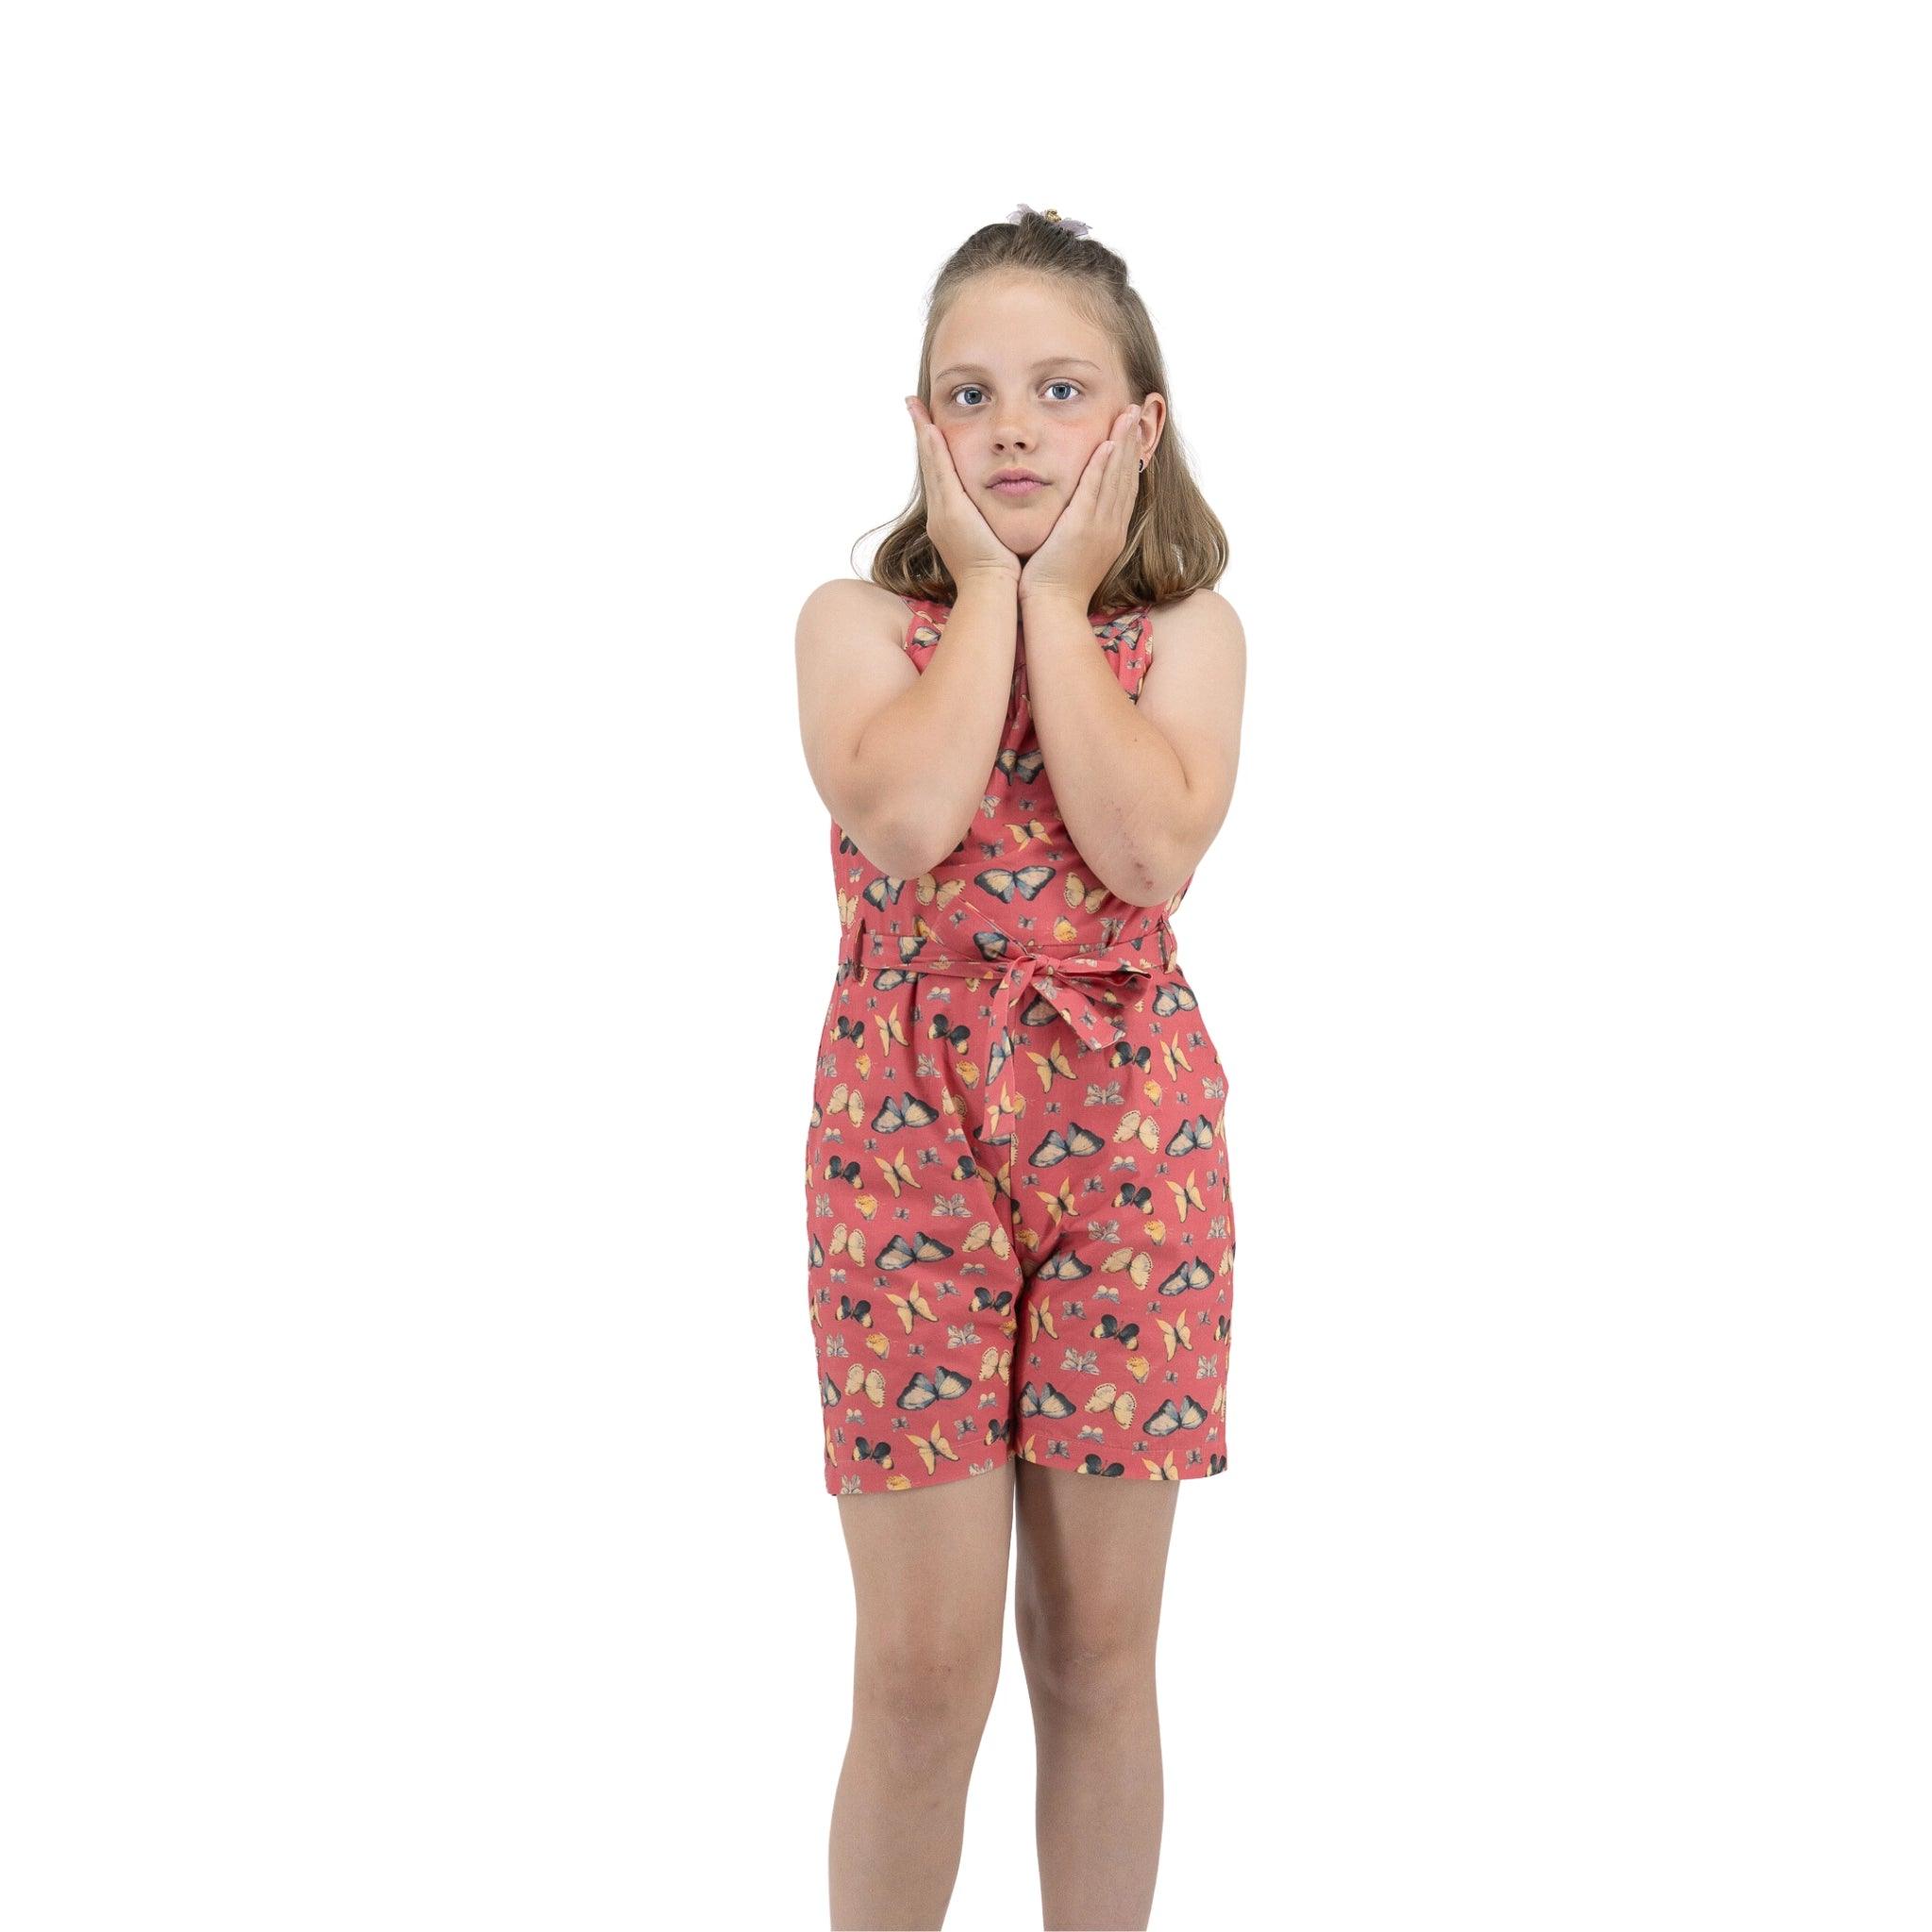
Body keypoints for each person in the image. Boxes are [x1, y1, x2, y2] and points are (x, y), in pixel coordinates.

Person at [793, 204, 1246, 1931]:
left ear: (1136, 423)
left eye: (1061, 390)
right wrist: (986, 578)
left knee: (1097, 1652)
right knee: (920, 1675)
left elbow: (1144, 851)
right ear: (922, 429)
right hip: (901, 1144)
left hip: (1129, 1138)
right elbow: (906, 814)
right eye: (968, 394)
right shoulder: (856, 624)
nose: (1012, 427)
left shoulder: (1190, 638)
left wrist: (1065, 596)